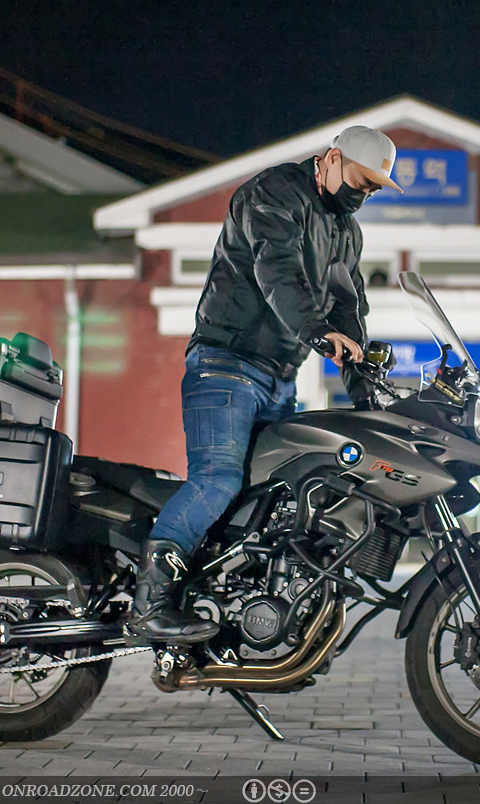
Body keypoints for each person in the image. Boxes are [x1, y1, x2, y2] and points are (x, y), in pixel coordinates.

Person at [125, 125, 403, 645]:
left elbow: (348, 309)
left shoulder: (345, 232)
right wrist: (314, 329)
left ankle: (239, 610)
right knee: (219, 479)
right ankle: (150, 604)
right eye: (361, 181)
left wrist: (364, 386)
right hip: (227, 363)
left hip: (279, 378)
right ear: (333, 159)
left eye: (373, 189)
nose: (363, 194)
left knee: (277, 498)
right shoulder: (275, 193)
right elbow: (277, 269)